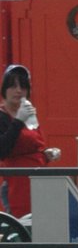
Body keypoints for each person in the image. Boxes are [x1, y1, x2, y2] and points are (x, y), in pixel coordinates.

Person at [0, 64, 60, 218]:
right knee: (21, 229)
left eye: (23, 87)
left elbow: (36, 146)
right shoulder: (3, 116)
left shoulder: (30, 113)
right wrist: (19, 120)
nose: (19, 91)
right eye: (13, 86)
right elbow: (2, 150)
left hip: (39, 181)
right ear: (4, 90)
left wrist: (47, 153)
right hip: (16, 185)